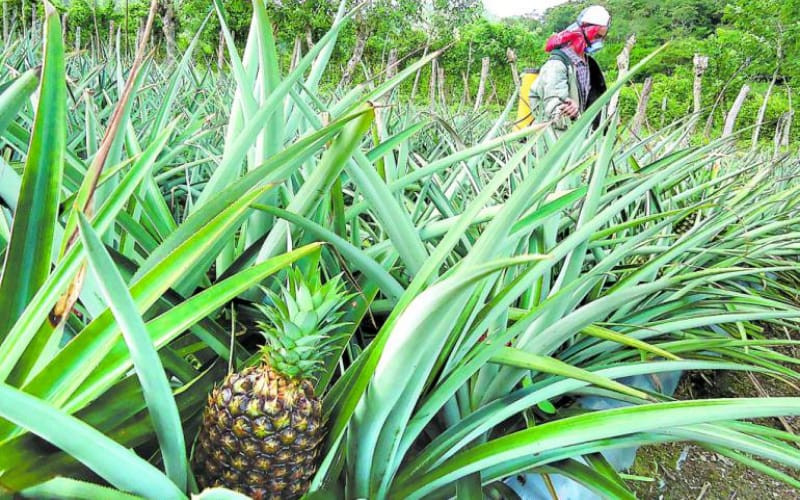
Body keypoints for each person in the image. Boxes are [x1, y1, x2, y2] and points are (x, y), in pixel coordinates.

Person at [529, 5, 610, 130]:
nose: (599, 42)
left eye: (602, 37)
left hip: (577, 137)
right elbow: (555, 109)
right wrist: (567, 109)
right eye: (597, 36)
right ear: (585, 31)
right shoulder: (557, 65)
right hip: (555, 139)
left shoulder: (588, 63)